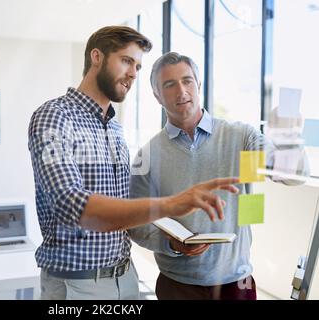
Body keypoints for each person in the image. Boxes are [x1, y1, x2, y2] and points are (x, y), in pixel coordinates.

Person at [28, 28, 239, 300]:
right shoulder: (54, 117)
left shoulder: (115, 129)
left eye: (137, 66)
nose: (133, 74)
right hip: (77, 286)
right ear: (97, 57)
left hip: (126, 278)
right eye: (127, 61)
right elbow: (71, 205)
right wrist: (173, 203)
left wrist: (171, 240)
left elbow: (124, 210)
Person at [128, 52, 309, 300]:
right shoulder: (148, 155)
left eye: (187, 80)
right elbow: (137, 223)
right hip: (177, 285)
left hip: (236, 282)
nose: (181, 91)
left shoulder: (241, 138)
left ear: (198, 84)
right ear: (157, 95)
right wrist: (172, 244)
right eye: (169, 85)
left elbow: (291, 176)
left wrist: (289, 137)